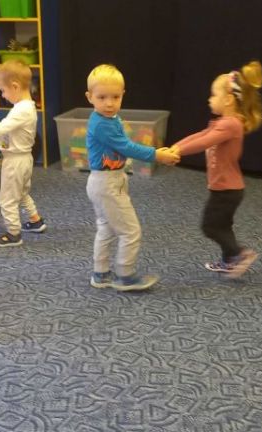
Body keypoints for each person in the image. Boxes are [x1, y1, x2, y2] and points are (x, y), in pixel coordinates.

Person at [83, 64, 179, 291]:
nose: (109, 103)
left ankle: (101, 274)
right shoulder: (101, 124)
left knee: (106, 228)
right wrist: (157, 155)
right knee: (130, 231)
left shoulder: (111, 118)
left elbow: (124, 144)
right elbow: (126, 147)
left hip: (108, 181)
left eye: (115, 97)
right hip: (106, 183)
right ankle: (125, 276)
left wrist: (155, 153)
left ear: (123, 94)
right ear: (89, 97)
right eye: (102, 97)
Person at [171, 61, 262, 278]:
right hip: (226, 189)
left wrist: (178, 152)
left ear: (228, 99)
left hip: (227, 190)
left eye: (213, 95)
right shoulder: (224, 122)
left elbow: (204, 142)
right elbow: (200, 136)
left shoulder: (231, 124)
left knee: (210, 226)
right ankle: (228, 261)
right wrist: (175, 147)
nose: (209, 99)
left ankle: (239, 254)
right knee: (223, 226)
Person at [0, 59, 47, 247]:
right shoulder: (25, 107)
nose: (3, 95)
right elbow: (9, 132)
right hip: (23, 159)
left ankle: (13, 234)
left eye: (3, 90)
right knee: (21, 193)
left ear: (15, 86)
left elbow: (3, 127)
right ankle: (35, 220)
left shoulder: (22, 110)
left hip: (15, 162)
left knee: (7, 199)